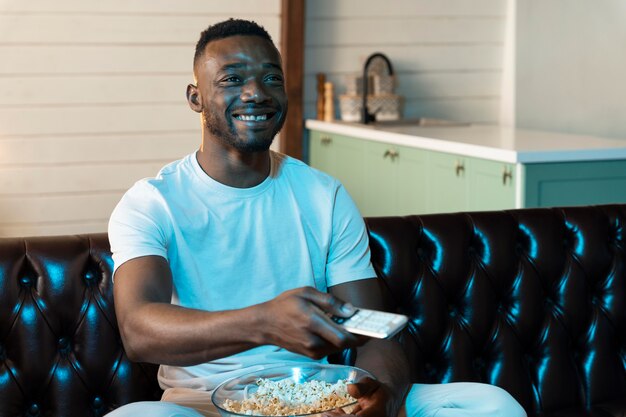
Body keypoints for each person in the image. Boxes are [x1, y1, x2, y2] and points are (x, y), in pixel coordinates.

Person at [106, 18, 526, 417]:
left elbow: (374, 334)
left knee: (490, 404)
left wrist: (383, 396)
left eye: (272, 78)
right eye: (232, 79)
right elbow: (139, 330)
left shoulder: (324, 195)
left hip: (318, 400)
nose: (256, 92)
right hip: (201, 405)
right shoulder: (151, 203)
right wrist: (263, 323)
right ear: (195, 97)